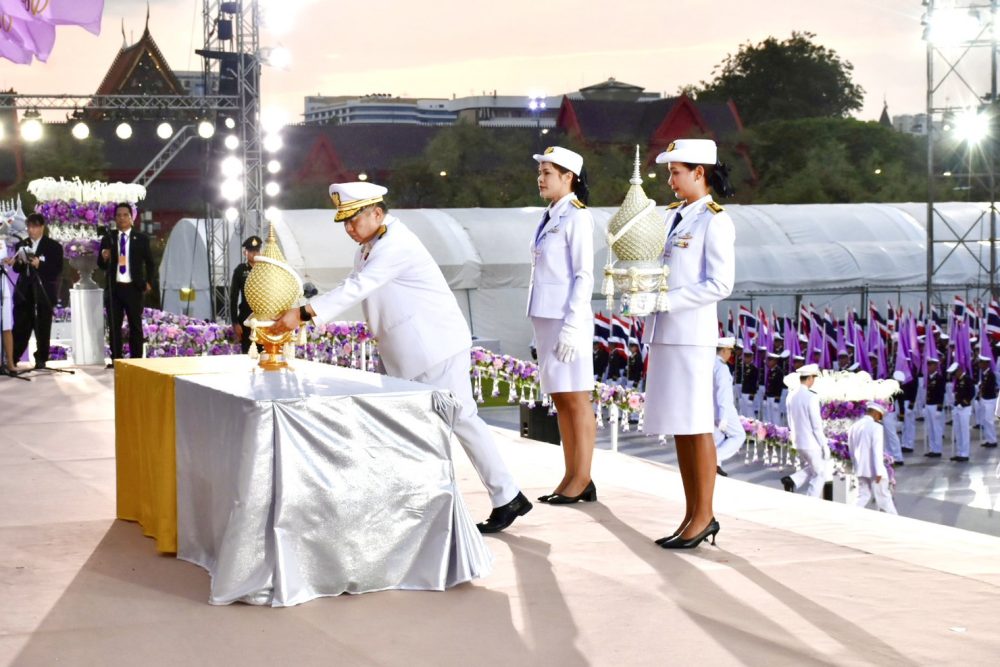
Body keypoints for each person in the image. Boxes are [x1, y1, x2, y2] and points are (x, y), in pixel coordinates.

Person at [271, 181, 530, 534]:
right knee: (428, 426)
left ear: (377, 213)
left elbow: (357, 288)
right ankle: (485, 497)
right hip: (411, 350)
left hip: (433, 348)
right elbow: (355, 285)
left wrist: (302, 314)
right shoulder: (370, 247)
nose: (349, 229)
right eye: (345, 222)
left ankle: (501, 496)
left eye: (353, 220)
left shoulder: (395, 244)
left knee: (458, 422)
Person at [645, 139, 736, 549]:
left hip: (692, 338)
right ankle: (690, 514)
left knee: (697, 426)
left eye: (676, 172)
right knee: (681, 427)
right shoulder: (673, 216)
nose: (670, 180)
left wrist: (668, 300)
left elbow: (720, 284)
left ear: (700, 172)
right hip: (667, 333)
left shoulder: (715, 221)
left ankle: (705, 516)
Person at [526, 146, 597, 506]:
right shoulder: (550, 215)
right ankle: (571, 475)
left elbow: (584, 275)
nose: (540, 179)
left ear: (568, 177)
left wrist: (572, 325)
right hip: (548, 319)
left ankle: (581, 478)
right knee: (561, 398)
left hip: (568, 319)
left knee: (576, 397)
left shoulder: (577, 217)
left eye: (547, 173)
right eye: (540, 172)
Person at [98, 203, 157, 363]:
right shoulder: (109, 238)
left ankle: (136, 360)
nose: (122, 218)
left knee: (135, 326)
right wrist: (104, 257)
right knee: (114, 326)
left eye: (125, 215)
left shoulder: (141, 239)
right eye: (118, 215)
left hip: (134, 288)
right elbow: (101, 265)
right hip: (114, 289)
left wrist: (149, 282)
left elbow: (150, 263)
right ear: (115, 219)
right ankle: (116, 359)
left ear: (132, 218)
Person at [11, 213, 64, 369]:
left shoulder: (53, 246)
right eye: (29, 227)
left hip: (43, 292)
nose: (31, 230)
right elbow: (16, 269)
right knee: (21, 326)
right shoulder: (21, 245)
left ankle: (41, 358)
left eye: (34, 227)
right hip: (24, 293)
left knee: (43, 327)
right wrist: (19, 262)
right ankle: (13, 358)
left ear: (42, 227)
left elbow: (56, 270)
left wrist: (39, 264)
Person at [782, 364, 829, 498]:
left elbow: (789, 420)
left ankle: (792, 480)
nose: (813, 381)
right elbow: (816, 425)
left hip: (798, 441)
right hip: (811, 442)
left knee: (816, 468)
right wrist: (824, 445)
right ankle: (811, 500)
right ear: (809, 378)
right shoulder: (811, 397)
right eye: (813, 378)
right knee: (820, 473)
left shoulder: (791, 395)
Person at [848, 403, 898, 514]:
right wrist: (879, 471)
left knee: (863, 496)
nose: (879, 420)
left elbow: (851, 449)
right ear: (875, 414)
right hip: (874, 470)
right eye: (880, 416)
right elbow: (877, 450)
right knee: (884, 498)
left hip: (860, 469)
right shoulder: (876, 427)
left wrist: (855, 467)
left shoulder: (854, 426)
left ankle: (850, 515)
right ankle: (896, 520)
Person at [714, 337, 746, 475]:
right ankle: (713, 459)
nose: (730, 354)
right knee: (739, 435)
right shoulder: (722, 367)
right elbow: (723, 392)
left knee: (718, 438)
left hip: (710, 409)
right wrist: (724, 416)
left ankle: (715, 464)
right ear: (724, 351)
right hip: (722, 408)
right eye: (729, 351)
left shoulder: (710, 363)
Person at [229, 235, 263, 354]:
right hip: (246, 318)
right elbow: (233, 297)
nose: (254, 254)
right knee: (248, 353)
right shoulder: (240, 270)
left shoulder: (266, 269)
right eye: (251, 251)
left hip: (264, 318)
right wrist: (235, 323)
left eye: (257, 251)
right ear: (245, 253)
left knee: (265, 354)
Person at [950, 362, 973, 462]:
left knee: (964, 431)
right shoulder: (959, 380)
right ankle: (959, 452)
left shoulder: (967, 379)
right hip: (957, 408)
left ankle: (965, 453)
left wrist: (963, 403)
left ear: (959, 370)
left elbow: (971, 393)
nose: (954, 376)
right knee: (958, 431)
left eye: (954, 373)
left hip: (964, 408)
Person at [923, 357, 945, 458]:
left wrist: (939, 408)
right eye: (928, 365)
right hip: (929, 405)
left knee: (936, 429)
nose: (929, 367)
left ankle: (938, 449)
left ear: (936, 366)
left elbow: (941, 394)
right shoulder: (928, 377)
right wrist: (925, 405)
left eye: (931, 365)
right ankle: (932, 448)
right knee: (930, 428)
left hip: (935, 406)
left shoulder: (939, 378)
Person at [977, 355, 998, 448]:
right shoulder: (984, 374)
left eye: (981, 362)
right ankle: (988, 439)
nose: (980, 364)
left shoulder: (990, 374)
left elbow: (989, 388)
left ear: (986, 364)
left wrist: (982, 387)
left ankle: (993, 440)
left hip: (989, 400)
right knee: (985, 420)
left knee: (989, 420)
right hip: (984, 399)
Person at [738, 349, 759, 419]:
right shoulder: (741, 367)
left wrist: (751, 396)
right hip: (742, 392)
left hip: (749, 393)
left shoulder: (754, 369)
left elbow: (754, 383)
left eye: (748, 357)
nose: (746, 359)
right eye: (745, 356)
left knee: (750, 413)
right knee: (742, 412)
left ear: (751, 357)